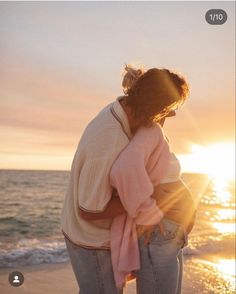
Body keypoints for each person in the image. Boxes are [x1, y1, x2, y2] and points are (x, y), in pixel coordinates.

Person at [61, 64, 191, 294]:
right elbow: (89, 210)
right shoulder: (108, 139)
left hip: (102, 233)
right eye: (166, 111)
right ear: (155, 110)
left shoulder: (129, 111)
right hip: (89, 239)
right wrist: (145, 205)